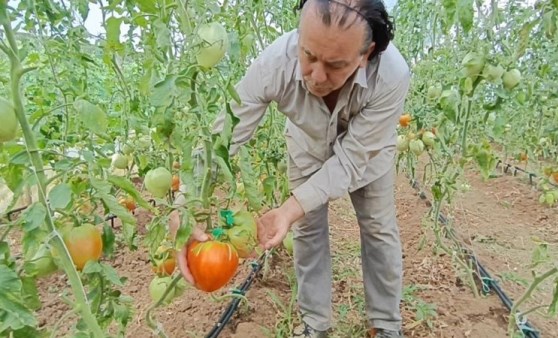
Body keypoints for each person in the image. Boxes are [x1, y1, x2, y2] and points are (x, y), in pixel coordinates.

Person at [174, 0, 410, 337]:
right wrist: (187, 197)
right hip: (306, 147)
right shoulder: (275, 62)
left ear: (366, 54)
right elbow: (224, 135)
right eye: (308, 55)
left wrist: (290, 207)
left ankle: (386, 325)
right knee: (308, 232)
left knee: (378, 228)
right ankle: (316, 326)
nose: (315, 76)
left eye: (335, 65)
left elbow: (352, 159)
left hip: (368, 156)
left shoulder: (391, 76)